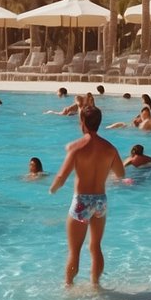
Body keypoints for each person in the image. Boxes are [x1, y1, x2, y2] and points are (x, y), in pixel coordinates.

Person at [49, 106, 125, 287]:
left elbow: (61, 177)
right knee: (95, 246)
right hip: (100, 201)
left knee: (74, 251)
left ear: (82, 122)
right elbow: (121, 173)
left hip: (82, 202)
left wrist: (52, 190)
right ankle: (96, 285)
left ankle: (68, 287)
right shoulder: (110, 149)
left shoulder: (77, 148)